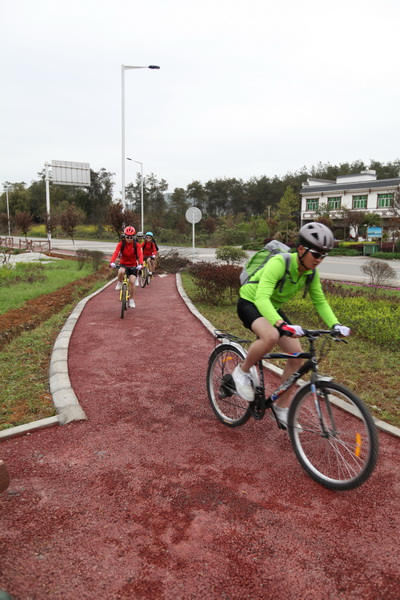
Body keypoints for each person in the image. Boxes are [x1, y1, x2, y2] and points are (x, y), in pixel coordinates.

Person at [233, 222, 350, 428]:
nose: (319, 260)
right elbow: (261, 298)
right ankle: (242, 372)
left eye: (324, 255)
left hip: (272, 307)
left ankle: (281, 408)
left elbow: (320, 301)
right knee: (270, 336)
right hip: (251, 301)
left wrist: (335, 324)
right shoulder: (280, 263)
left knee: (296, 356)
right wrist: (280, 324)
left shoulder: (311, 273)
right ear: (302, 249)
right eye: (316, 254)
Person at [109, 226, 143, 308]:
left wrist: (141, 264)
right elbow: (116, 253)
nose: (129, 239)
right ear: (124, 236)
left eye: (131, 237)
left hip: (133, 266)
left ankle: (131, 300)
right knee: (121, 271)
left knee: (132, 281)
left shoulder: (137, 245)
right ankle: (120, 282)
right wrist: (112, 262)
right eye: (127, 237)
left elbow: (140, 254)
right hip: (123, 264)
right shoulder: (121, 244)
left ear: (133, 237)